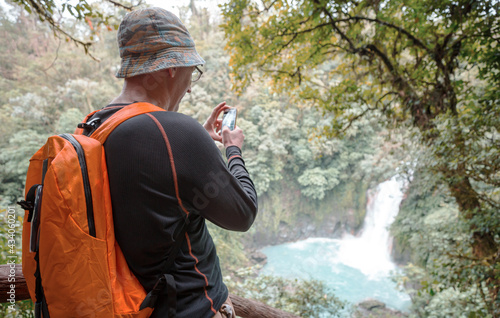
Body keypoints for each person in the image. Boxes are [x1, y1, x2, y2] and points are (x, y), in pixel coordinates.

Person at [80, 7, 258, 318]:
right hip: (190, 309)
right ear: (171, 68)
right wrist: (232, 150)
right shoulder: (176, 134)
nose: (190, 87)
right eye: (192, 72)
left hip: (128, 305)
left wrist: (193, 141)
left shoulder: (96, 125)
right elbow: (242, 214)